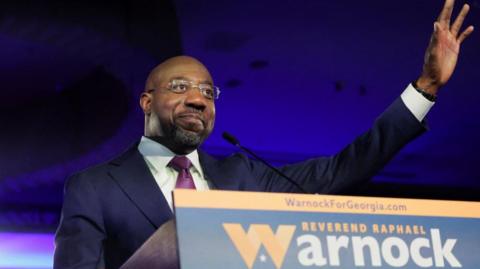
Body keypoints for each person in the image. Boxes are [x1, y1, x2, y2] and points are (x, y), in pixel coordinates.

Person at [54, 0, 474, 268]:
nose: (198, 100)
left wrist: (426, 88)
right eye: (180, 88)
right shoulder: (94, 188)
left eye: (206, 91)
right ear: (147, 102)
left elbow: (341, 170)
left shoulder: (244, 178)